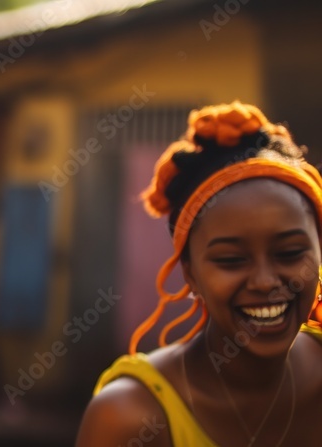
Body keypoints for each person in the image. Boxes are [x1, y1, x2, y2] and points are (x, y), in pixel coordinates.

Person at [77, 102, 322, 446]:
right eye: (231, 259)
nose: (266, 281)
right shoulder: (131, 417)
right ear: (190, 273)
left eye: (291, 253)